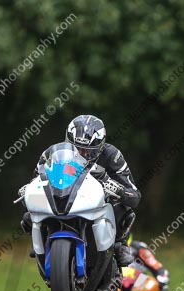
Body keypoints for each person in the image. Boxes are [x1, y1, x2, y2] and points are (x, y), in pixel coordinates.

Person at [21, 114, 141, 266]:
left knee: (124, 209)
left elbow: (134, 196)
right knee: (27, 216)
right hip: (61, 198)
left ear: (100, 146)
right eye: (77, 149)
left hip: (97, 203)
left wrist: (117, 189)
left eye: (88, 151)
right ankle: (42, 240)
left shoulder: (112, 155)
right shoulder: (51, 154)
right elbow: (36, 181)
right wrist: (28, 189)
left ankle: (120, 245)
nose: (82, 154)